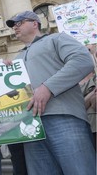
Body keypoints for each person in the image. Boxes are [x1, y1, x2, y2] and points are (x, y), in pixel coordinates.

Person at [5, 10, 96, 175]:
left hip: (64, 117)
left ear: (35, 23)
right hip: (30, 128)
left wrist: (48, 87)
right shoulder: (17, 58)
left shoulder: (57, 38)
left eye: (20, 23)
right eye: (13, 26)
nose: (15, 28)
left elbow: (83, 61)